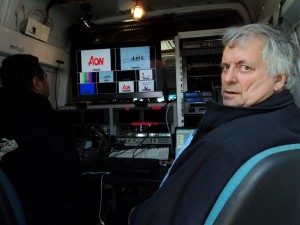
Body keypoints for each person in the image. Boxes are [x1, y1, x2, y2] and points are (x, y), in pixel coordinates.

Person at [128, 23, 300, 225]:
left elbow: (157, 219)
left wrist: (133, 215)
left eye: (245, 68)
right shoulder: (293, 121)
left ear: (279, 79)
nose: (227, 78)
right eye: (225, 67)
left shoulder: (221, 146)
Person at [0, 54, 105, 225]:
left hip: (8, 216)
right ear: (36, 83)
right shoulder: (49, 119)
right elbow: (69, 185)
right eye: (46, 78)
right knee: (98, 194)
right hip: (47, 217)